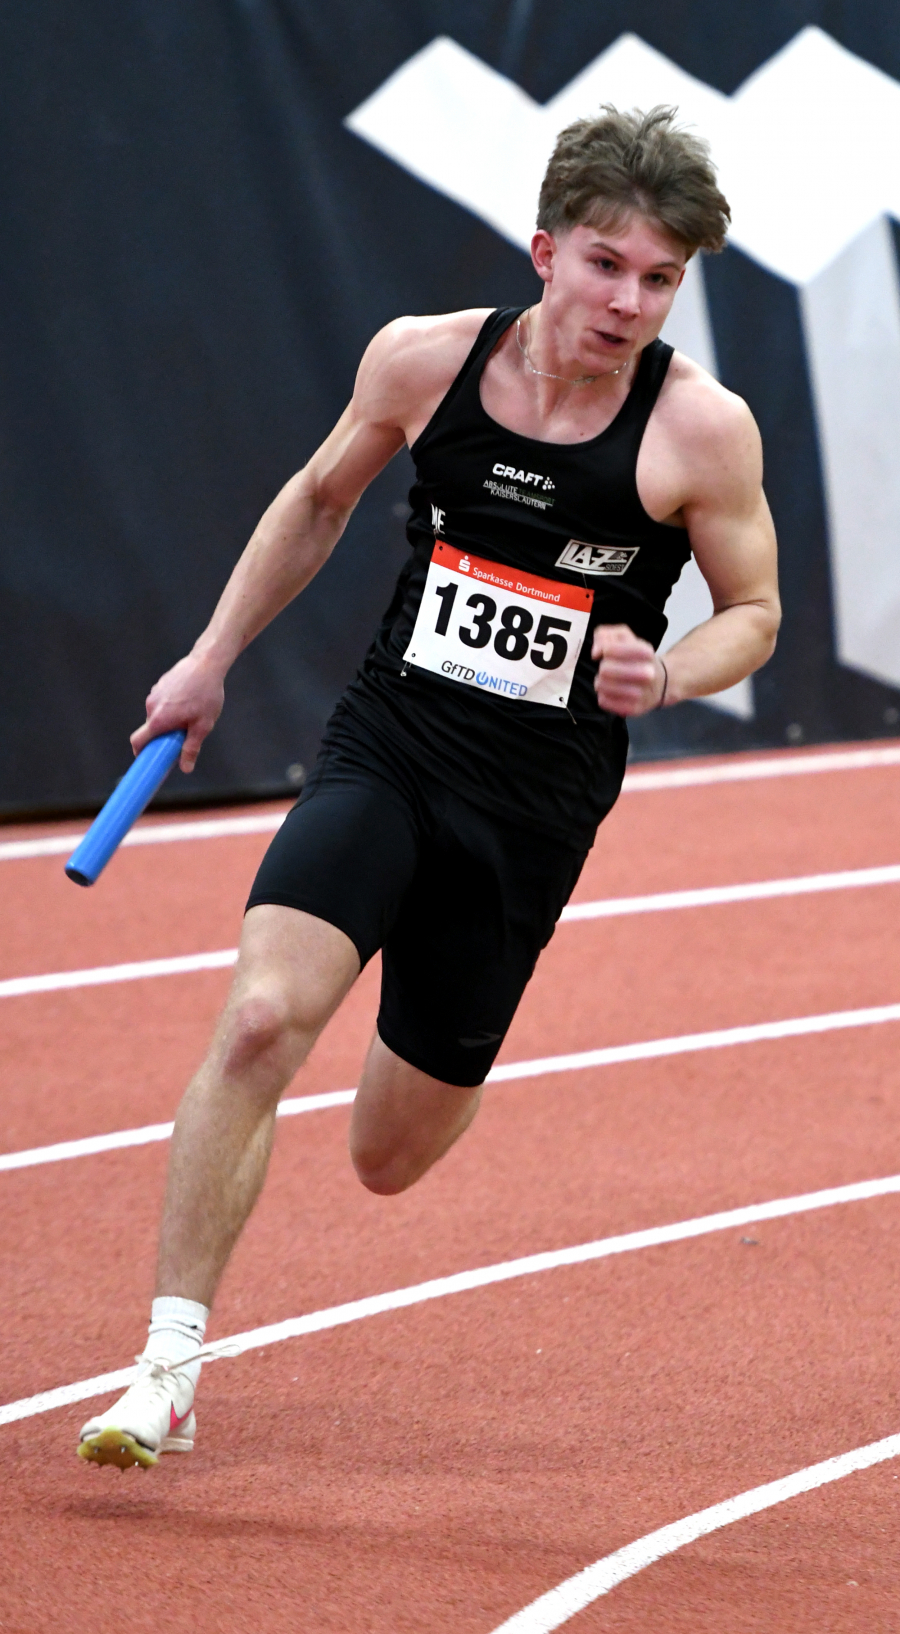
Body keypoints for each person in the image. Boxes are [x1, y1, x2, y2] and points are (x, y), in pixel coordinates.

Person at [78, 105, 780, 1469]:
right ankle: (163, 1368)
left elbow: (754, 610)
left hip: (532, 810)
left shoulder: (700, 428)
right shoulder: (423, 360)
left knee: (390, 1154)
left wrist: (672, 674)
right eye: (604, 265)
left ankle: (427, 1030)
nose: (628, 301)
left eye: (659, 278)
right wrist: (211, 658)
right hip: (389, 748)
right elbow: (317, 497)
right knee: (259, 1022)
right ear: (543, 251)